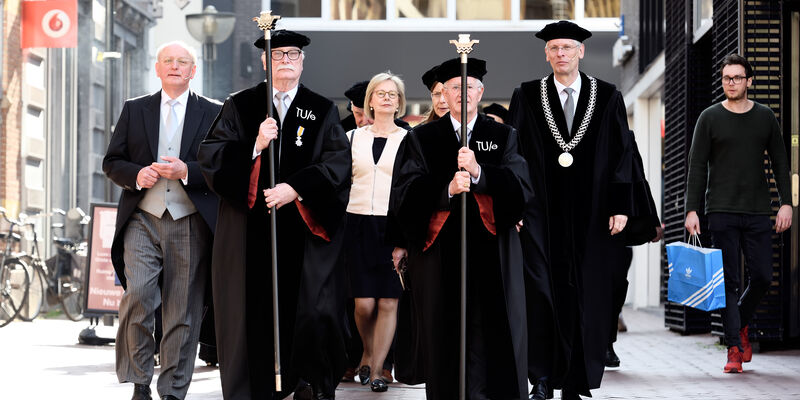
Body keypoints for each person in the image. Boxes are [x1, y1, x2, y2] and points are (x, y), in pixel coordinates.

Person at [197, 30, 352, 400]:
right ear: (266, 62)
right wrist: (255, 145)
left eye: (293, 54)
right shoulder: (241, 104)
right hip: (251, 226)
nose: (286, 61)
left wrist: (295, 188)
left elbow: (339, 161)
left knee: (310, 307)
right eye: (278, 55)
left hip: (302, 223)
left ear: (302, 61)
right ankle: (256, 385)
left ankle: (305, 381)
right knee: (252, 308)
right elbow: (211, 156)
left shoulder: (321, 108)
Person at [508, 20, 639, 400]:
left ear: (581, 51)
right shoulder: (528, 95)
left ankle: (578, 378)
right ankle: (543, 377)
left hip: (593, 213)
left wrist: (620, 206)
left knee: (586, 294)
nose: (560, 54)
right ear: (546, 53)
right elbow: (513, 155)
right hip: (540, 213)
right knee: (541, 291)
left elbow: (621, 155)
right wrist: (516, 204)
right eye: (554, 48)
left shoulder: (609, 95)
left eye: (567, 47)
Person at [390, 57, 531, 400]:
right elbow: (404, 192)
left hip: (493, 251)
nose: (462, 94)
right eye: (455, 88)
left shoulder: (502, 135)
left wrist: (481, 173)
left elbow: (523, 189)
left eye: (469, 87)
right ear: (444, 94)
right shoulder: (421, 138)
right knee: (443, 332)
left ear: (480, 92)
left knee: (491, 331)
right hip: (439, 253)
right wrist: (446, 190)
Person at [102, 41, 221, 400]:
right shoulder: (135, 109)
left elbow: (223, 166)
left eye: (182, 61)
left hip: (189, 219)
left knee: (182, 309)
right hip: (142, 217)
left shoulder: (213, 112)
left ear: (192, 71)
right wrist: (138, 175)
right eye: (168, 60)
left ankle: (173, 390)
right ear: (157, 68)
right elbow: (112, 161)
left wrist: (189, 171)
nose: (174, 66)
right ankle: (139, 381)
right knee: (137, 295)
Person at [684, 54, 791, 374]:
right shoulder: (709, 117)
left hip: (758, 210)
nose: (730, 83)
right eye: (726, 78)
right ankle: (733, 347)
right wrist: (693, 209)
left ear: (749, 81)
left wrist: (785, 202)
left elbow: (780, 163)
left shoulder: (765, 117)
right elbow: (696, 166)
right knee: (728, 281)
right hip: (720, 210)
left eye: (737, 78)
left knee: (762, 276)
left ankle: (739, 323)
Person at [343, 72, 408, 393]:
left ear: (399, 102)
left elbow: (412, 190)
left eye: (392, 94)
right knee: (364, 305)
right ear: (369, 100)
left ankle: (380, 367)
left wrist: (404, 238)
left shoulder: (409, 139)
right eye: (380, 93)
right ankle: (367, 351)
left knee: (388, 303)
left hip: (391, 226)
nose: (386, 98)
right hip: (356, 224)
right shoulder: (353, 138)